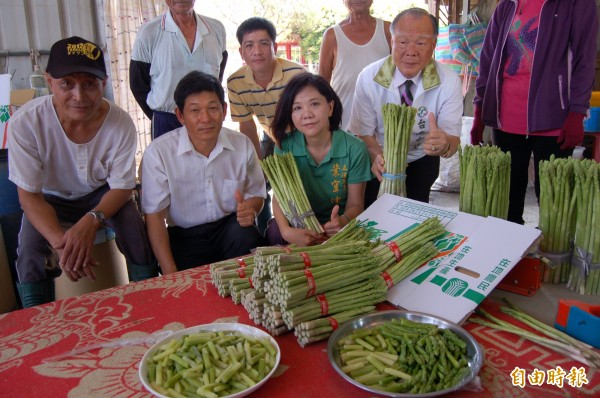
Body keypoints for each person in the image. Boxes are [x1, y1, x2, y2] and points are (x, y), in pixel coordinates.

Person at [7, 36, 158, 308]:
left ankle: (147, 299)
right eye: (67, 84)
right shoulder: (25, 123)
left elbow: (122, 188)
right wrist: (63, 245)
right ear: (49, 81)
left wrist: (91, 221)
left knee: (135, 229)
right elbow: (29, 197)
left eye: (89, 84)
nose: (79, 96)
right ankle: (36, 320)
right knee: (28, 249)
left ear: (104, 82)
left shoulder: (120, 123)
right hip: (49, 198)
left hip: (102, 194)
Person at [470, 0, 599, 225]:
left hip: (554, 118)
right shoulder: (506, 6)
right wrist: (480, 111)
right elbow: (487, 62)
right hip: (506, 118)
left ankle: (549, 257)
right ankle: (511, 254)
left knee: (553, 200)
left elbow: (584, 60)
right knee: (508, 196)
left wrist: (577, 113)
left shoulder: (577, 4)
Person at [142, 71, 266, 274]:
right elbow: (154, 216)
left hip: (230, 229)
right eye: (195, 110)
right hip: (185, 236)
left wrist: (250, 208)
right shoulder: (159, 153)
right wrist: (169, 272)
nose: (205, 118)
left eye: (213, 108)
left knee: (248, 237)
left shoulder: (242, 145)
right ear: (180, 115)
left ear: (224, 110)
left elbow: (257, 195)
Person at [350, 8, 463, 206]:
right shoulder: (369, 78)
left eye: (420, 43)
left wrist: (443, 144)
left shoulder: (449, 81)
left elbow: (452, 140)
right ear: (392, 42)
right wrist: (377, 156)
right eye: (402, 42)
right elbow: (363, 133)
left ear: (434, 44)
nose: (410, 51)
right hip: (380, 157)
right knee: (376, 213)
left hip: (422, 157)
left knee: (414, 213)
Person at [266, 73, 372, 247]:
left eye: (314, 104)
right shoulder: (284, 146)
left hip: (338, 230)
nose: (306, 114)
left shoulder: (355, 148)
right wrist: (287, 231)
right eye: (297, 108)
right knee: (275, 232)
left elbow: (356, 204)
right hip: (298, 225)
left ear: (330, 107)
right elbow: (279, 196)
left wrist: (343, 221)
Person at [227, 17, 305, 235]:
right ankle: (263, 234)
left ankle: (297, 227)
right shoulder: (235, 82)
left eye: (263, 43)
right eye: (249, 45)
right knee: (257, 182)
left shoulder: (296, 75)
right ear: (242, 52)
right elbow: (247, 125)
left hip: (301, 135)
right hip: (270, 135)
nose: (257, 51)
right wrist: (257, 163)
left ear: (275, 47)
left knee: (295, 185)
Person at [130, 0, 227, 140]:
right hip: (166, 121)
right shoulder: (149, 32)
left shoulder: (216, 29)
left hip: (206, 119)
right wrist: (158, 116)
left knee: (209, 161)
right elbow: (138, 84)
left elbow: (218, 76)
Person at [318, 0, 391, 131]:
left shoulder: (388, 30)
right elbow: (321, 87)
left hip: (383, 127)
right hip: (344, 125)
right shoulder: (331, 35)